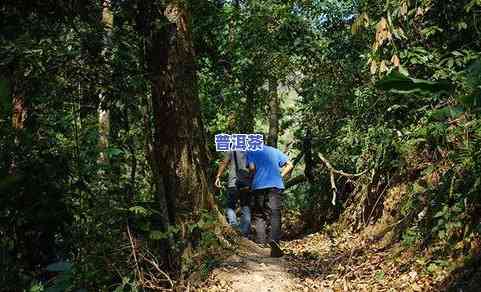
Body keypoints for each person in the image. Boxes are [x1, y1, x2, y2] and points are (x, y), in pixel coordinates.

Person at [246, 144, 293, 257]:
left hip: (258, 186)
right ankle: (274, 241)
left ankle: (261, 243)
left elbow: (252, 168)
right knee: (275, 213)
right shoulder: (275, 151)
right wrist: (281, 175)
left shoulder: (252, 151)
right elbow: (290, 165)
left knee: (258, 215)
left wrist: (249, 180)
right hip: (275, 185)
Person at [215, 150, 251, 236]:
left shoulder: (232, 150)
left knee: (230, 206)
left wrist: (218, 176)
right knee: (245, 205)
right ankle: (244, 231)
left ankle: (234, 226)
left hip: (233, 183)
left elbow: (224, 163)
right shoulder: (250, 151)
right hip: (246, 184)